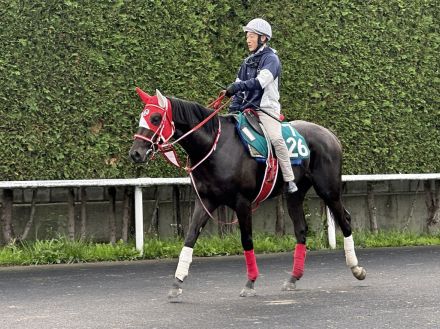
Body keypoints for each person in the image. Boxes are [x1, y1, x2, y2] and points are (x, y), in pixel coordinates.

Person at [225, 18, 298, 193]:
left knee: (276, 139)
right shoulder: (246, 62)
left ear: (263, 38)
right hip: (245, 110)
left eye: (251, 36)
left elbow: (259, 82)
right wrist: (232, 109)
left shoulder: (272, 59)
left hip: (266, 110)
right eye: (247, 36)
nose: (248, 39)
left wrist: (238, 87)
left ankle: (289, 179)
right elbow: (238, 90)